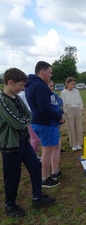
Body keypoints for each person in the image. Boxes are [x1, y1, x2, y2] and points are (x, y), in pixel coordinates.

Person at [0, 68, 56, 218]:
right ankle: (10, 205)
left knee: (35, 165)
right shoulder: (2, 100)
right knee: (13, 175)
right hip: (10, 145)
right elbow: (18, 123)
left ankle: (37, 197)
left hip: (23, 141)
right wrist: (24, 120)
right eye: (20, 85)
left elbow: (28, 114)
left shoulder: (16, 98)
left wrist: (24, 120)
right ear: (10, 82)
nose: (22, 88)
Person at [25, 61, 64, 188]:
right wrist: (59, 117)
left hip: (40, 122)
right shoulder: (40, 86)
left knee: (56, 146)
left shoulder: (31, 85)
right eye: (50, 72)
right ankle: (44, 178)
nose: (51, 75)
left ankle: (55, 172)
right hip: (46, 123)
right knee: (47, 151)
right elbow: (45, 107)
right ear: (42, 72)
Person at [60, 77, 83, 151]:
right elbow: (63, 103)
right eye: (71, 84)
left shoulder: (76, 91)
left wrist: (80, 107)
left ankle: (79, 143)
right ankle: (73, 144)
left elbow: (80, 100)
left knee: (78, 127)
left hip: (77, 109)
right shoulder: (63, 92)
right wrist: (66, 111)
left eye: (74, 84)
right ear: (67, 84)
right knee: (71, 128)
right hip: (69, 110)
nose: (73, 86)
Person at [18, 90, 41, 154]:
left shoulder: (29, 92)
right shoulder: (21, 94)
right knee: (36, 139)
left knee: (35, 139)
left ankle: (34, 155)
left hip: (33, 117)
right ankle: (33, 156)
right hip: (29, 118)